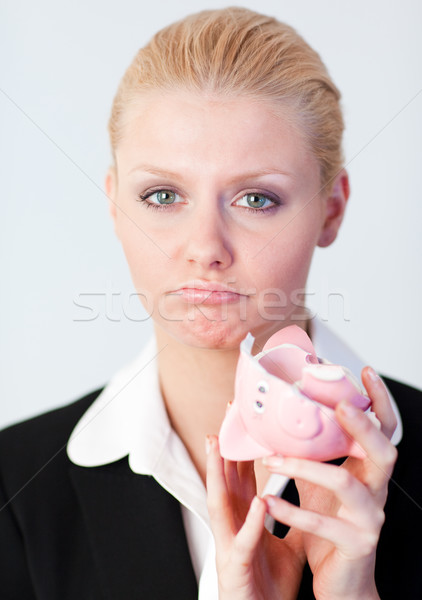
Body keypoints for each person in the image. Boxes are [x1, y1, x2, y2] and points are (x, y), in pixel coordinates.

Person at [0, 6, 421, 599]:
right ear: (116, 204)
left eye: (256, 199)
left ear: (331, 209)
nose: (205, 249)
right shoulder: (14, 486)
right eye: (163, 194)